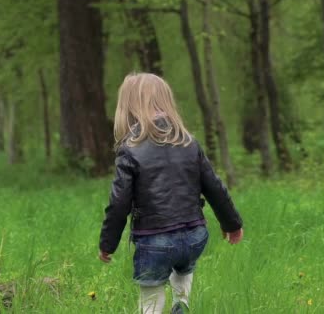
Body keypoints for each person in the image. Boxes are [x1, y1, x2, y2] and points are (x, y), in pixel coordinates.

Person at [98, 73, 244, 314]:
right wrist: (232, 224)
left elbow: (118, 203)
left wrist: (108, 244)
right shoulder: (188, 142)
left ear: (128, 106)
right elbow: (214, 187)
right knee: (184, 267)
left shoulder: (130, 149)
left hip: (154, 240)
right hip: (195, 235)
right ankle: (182, 303)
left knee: (151, 297)